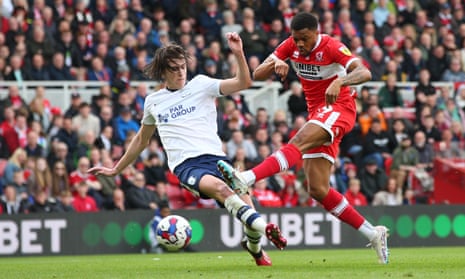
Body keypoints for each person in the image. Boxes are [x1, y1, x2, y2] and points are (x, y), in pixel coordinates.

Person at [88, 32, 286, 266]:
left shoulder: (202, 84)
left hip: (217, 159)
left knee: (246, 210)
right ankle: (268, 228)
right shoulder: (154, 101)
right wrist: (115, 169)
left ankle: (254, 248)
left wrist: (238, 53)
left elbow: (244, 83)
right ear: (163, 72)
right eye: (174, 68)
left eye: (183, 67)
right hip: (187, 165)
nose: (181, 72)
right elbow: (142, 139)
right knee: (222, 189)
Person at [216, 13, 389, 264]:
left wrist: (340, 81)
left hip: (339, 108)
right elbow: (258, 73)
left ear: (315, 33)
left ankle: (246, 178)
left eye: (304, 39)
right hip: (317, 113)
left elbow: (364, 72)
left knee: (297, 142)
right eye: (296, 39)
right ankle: (373, 233)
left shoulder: (331, 46)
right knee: (318, 189)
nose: (299, 44)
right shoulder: (290, 45)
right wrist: (275, 64)